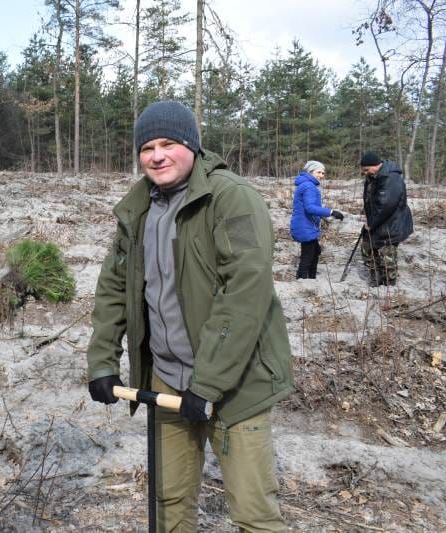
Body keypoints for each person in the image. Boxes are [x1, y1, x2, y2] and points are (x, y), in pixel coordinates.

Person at [86, 101, 294, 532]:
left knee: (254, 514)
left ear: (193, 146)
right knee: (169, 502)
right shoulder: (137, 209)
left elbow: (244, 295)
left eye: (168, 144)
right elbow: (112, 290)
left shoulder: (231, 198)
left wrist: (208, 384)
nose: (157, 155)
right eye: (147, 148)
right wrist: (103, 361)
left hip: (237, 385)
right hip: (166, 378)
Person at [359, 152, 413, 286]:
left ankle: (389, 283)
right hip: (376, 220)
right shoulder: (373, 176)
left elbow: (386, 205)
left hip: (391, 223)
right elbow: (370, 199)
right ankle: (375, 277)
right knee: (367, 247)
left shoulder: (391, 178)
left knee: (387, 253)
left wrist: (371, 223)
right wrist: (367, 215)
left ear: (376, 165)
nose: (365, 173)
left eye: (366, 169)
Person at [289, 160, 344, 279]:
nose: (321, 175)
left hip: (306, 225)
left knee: (315, 251)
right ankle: (303, 279)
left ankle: (310, 277)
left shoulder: (306, 184)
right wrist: (331, 212)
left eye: (323, 173)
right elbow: (310, 208)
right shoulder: (308, 186)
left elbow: (310, 207)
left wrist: (324, 218)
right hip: (305, 226)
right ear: (310, 171)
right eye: (318, 172)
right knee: (308, 254)